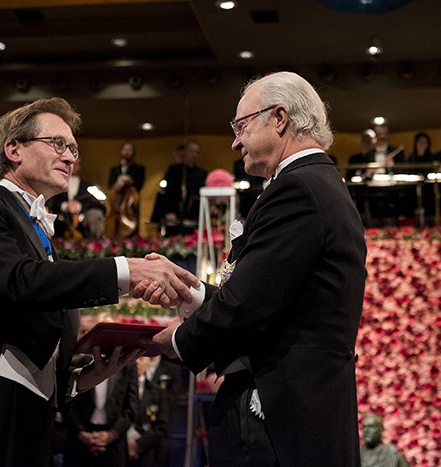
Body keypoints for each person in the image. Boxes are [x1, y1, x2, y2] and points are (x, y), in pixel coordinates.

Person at [0, 97, 198, 467]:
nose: (71, 156)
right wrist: (127, 270)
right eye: (58, 143)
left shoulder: (40, 234)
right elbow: (19, 282)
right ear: (14, 149)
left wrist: (78, 378)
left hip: (28, 423)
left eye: (74, 148)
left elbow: (31, 324)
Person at [152, 71, 367, 466]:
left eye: (242, 125)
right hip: (302, 414)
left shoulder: (298, 188)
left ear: (280, 118)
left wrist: (180, 342)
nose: (235, 141)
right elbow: (270, 292)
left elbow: (249, 303)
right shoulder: (319, 184)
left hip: (280, 418)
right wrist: (193, 291)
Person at [63, 363, 138, 467]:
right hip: (79, 438)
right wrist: (81, 433)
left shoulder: (128, 366)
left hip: (114, 441)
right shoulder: (79, 361)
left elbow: (131, 407)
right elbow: (66, 403)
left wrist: (112, 435)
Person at [126, 356, 170, 467]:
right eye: (134, 358)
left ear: (149, 363)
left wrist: (138, 445)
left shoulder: (158, 392)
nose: (136, 361)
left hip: (147, 451)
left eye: (141, 358)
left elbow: (161, 425)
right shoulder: (119, 389)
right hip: (120, 447)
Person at [46, 158, 106, 238]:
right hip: (61, 217)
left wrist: (79, 206)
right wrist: (65, 205)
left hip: (83, 217)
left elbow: (97, 204)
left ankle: (96, 245)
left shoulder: (88, 185)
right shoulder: (57, 183)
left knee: (95, 214)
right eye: (71, 163)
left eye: (76, 164)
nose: (74, 166)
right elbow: (50, 201)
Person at [161, 140, 208, 235]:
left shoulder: (202, 173)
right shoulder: (173, 170)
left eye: (196, 152)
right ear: (184, 152)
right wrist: (169, 211)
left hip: (194, 215)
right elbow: (168, 192)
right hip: (175, 212)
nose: (194, 155)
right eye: (191, 151)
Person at [105, 141, 145, 238]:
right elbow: (110, 185)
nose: (127, 152)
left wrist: (130, 181)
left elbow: (139, 185)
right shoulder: (114, 169)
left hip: (130, 205)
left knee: (133, 229)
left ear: (133, 152)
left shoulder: (139, 168)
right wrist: (117, 184)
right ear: (121, 151)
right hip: (116, 203)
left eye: (129, 150)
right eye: (125, 150)